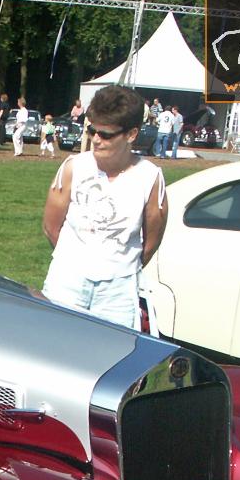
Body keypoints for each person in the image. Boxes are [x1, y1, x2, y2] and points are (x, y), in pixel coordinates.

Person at [41, 85, 168, 330]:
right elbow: (51, 226)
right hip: (67, 279)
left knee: (113, 360)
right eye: (92, 130)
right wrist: (78, 260)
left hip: (118, 290)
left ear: (131, 134)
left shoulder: (150, 178)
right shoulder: (73, 167)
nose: (96, 139)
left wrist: (118, 265)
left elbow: (152, 239)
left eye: (106, 134)